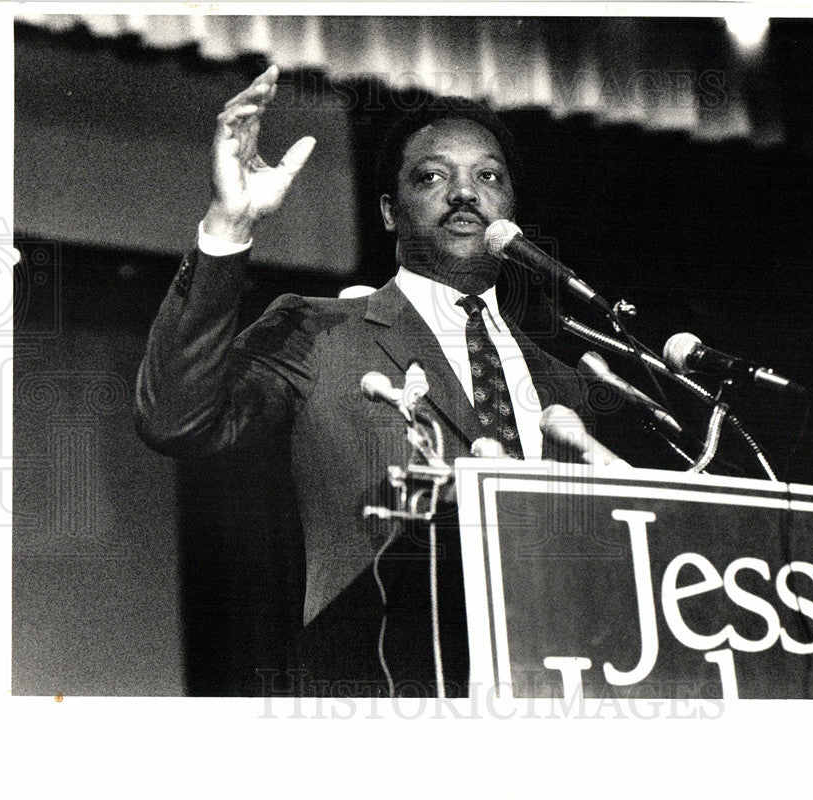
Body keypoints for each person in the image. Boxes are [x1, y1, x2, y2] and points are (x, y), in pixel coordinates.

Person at [135, 64, 593, 697]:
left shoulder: (564, 384)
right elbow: (175, 417)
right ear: (388, 211)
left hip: (554, 683)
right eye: (433, 176)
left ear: (510, 208)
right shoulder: (320, 331)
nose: (466, 194)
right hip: (380, 683)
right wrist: (229, 224)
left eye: (488, 176)